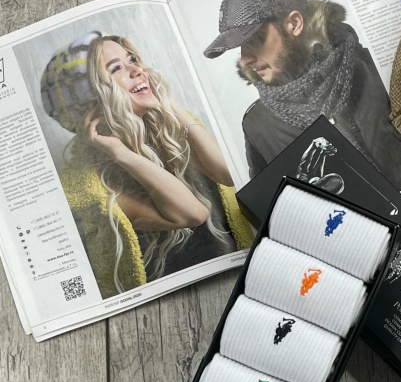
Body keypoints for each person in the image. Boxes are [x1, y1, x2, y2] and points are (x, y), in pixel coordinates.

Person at [40, 31, 254, 299]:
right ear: (92, 101)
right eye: (116, 68)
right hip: (181, 295)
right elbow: (193, 214)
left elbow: (227, 173)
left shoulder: (165, 124)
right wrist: (122, 154)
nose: (137, 70)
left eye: (132, 60)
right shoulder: (91, 185)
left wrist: (166, 102)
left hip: (236, 270)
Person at [203, 0, 401, 192]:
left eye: (253, 39)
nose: (244, 59)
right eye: (240, 47)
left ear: (294, 24)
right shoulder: (257, 126)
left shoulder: (379, 70)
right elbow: (272, 205)